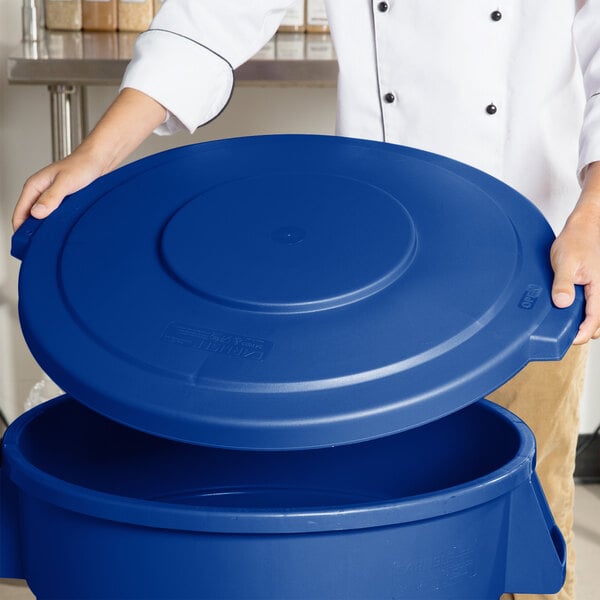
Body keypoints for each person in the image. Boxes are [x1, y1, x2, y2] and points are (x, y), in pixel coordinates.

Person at [12, 2, 600, 599]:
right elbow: (211, 16)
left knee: (522, 540)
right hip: (368, 279)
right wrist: (97, 155)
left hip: (533, 265)